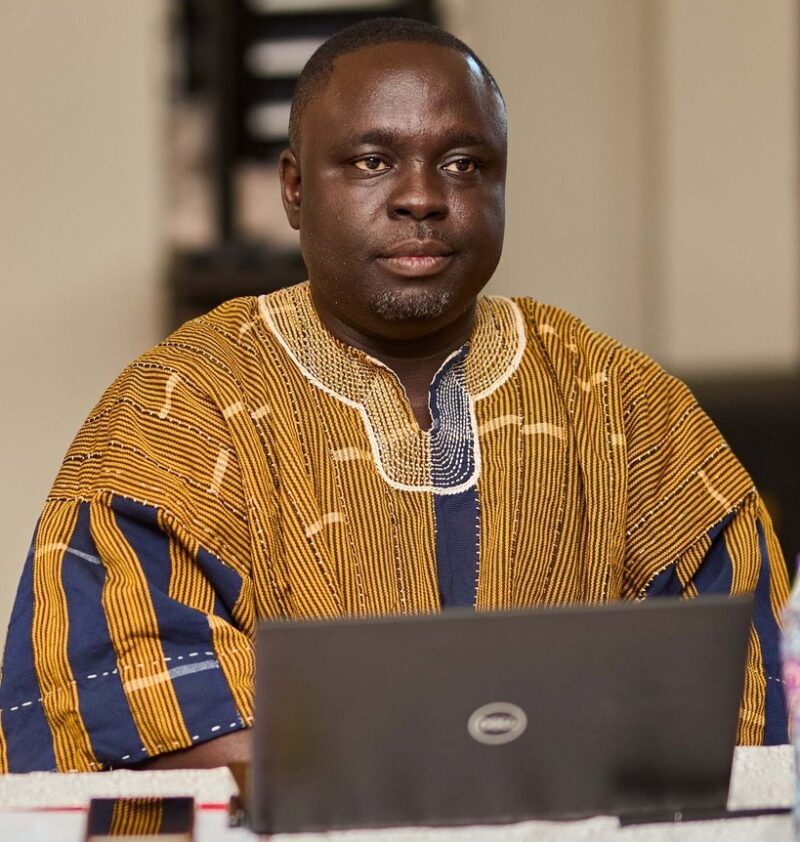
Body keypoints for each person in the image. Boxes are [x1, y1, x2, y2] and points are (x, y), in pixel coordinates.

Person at [0, 18, 788, 774]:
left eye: (464, 164)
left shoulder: (623, 403)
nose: (422, 197)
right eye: (373, 161)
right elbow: (122, 692)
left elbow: (738, 686)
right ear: (295, 189)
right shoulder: (177, 406)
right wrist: (476, 768)